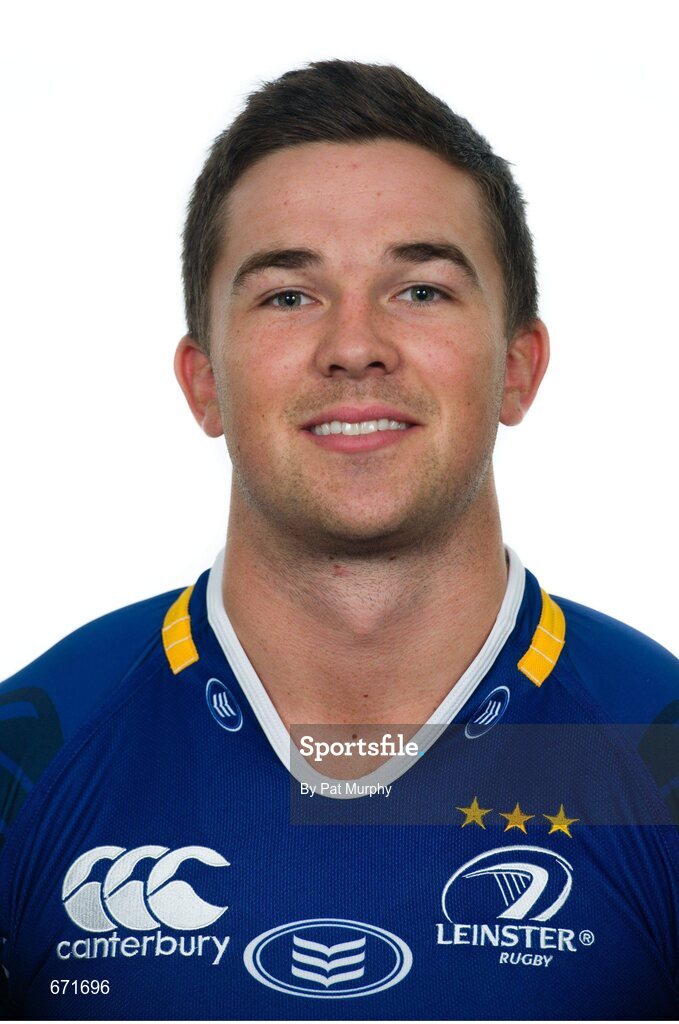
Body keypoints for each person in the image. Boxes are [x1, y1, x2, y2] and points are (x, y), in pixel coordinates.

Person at [0, 59, 676, 1022]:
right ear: (203, 384)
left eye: (421, 290)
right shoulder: (31, 755)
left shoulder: (661, 757)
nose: (354, 345)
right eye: (288, 295)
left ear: (519, 368)